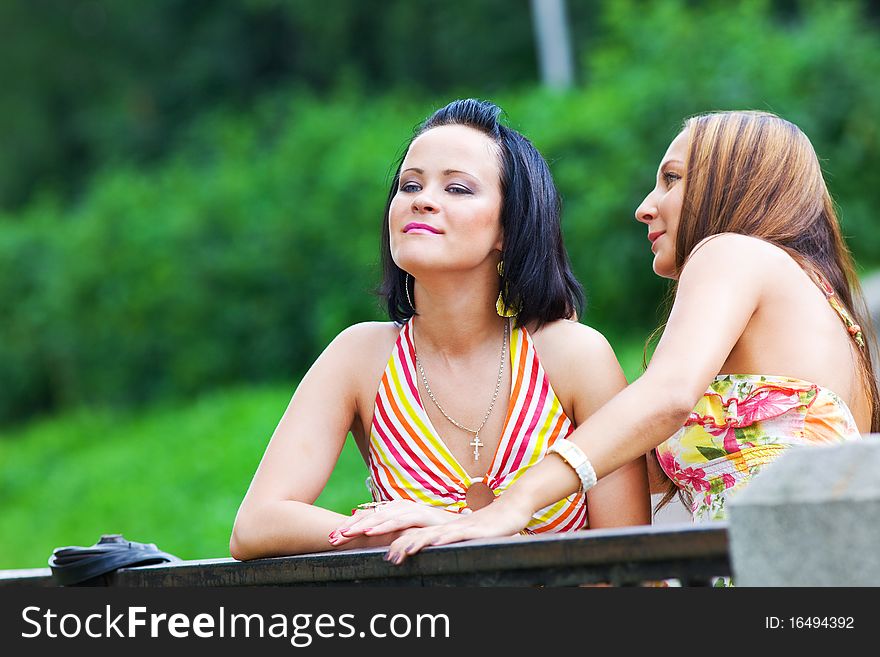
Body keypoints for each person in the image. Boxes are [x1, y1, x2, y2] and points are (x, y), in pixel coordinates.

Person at [385, 110, 879, 565]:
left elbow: (668, 397)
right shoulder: (828, 310)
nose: (646, 207)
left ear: (735, 180)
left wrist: (512, 504)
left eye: (672, 178)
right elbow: (614, 472)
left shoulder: (732, 252)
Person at [229, 99, 650, 560]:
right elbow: (256, 524)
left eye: (458, 189)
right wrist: (396, 530)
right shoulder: (360, 356)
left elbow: (631, 567)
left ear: (507, 229)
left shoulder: (572, 356)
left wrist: (461, 530)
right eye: (410, 185)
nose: (422, 200)